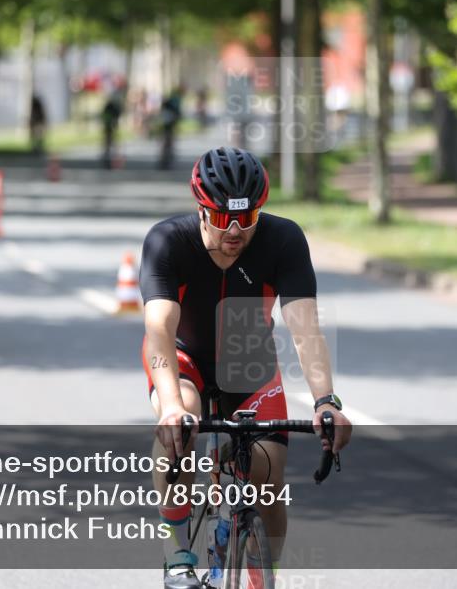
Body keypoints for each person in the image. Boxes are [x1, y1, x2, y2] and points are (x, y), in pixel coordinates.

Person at [140, 146, 352, 589]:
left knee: (267, 476)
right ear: (201, 212)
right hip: (183, 357)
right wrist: (171, 408)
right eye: (221, 219)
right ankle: (176, 551)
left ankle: (263, 575)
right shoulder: (167, 242)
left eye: (247, 218)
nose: (235, 231)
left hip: (247, 359)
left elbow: (305, 327)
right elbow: (159, 327)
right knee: (182, 425)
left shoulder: (284, 240)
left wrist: (326, 401)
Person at [158, 85, 183, 170]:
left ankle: (165, 160)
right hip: (168, 126)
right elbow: (177, 113)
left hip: (168, 126)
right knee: (167, 142)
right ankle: (165, 160)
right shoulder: (175, 100)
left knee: (167, 143)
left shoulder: (172, 101)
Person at [101, 85, 124, 169]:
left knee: (113, 143)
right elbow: (105, 117)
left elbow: (117, 115)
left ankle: (114, 159)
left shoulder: (114, 106)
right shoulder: (108, 106)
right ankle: (107, 157)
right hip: (108, 127)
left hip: (112, 127)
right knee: (108, 143)